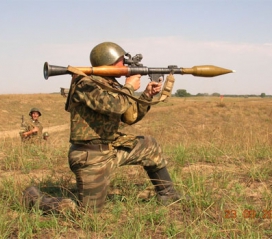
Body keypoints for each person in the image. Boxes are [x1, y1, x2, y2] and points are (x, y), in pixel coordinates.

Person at [23, 42, 182, 213]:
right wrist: (129, 86)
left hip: (111, 149)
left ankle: (168, 194)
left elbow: (128, 116)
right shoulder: (86, 83)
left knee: (150, 146)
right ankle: (34, 199)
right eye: (122, 61)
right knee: (88, 212)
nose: (125, 65)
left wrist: (147, 95)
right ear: (111, 61)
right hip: (90, 155)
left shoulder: (112, 85)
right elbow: (114, 106)